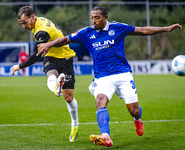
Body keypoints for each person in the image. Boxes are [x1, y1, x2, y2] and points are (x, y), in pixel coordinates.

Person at [36, 6, 182, 148]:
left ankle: (137, 119)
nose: (94, 20)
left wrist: (165, 28)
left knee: (134, 110)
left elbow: (143, 30)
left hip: (123, 74)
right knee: (100, 101)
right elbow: (65, 39)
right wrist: (49, 44)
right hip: (103, 77)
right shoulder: (86, 32)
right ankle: (105, 136)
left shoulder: (118, 28)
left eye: (97, 18)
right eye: (92, 18)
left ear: (105, 17)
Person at [11, 6, 79, 142]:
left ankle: (75, 124)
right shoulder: (38, 22)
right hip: (51, 57)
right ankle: (56, 86)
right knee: (51, 74)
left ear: (32, 17)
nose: (24, 26)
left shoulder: (41, 31)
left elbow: (36, 56)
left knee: (69, 98)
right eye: (21, 24)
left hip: (66, 58)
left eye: (25, 22)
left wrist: (19, 66)